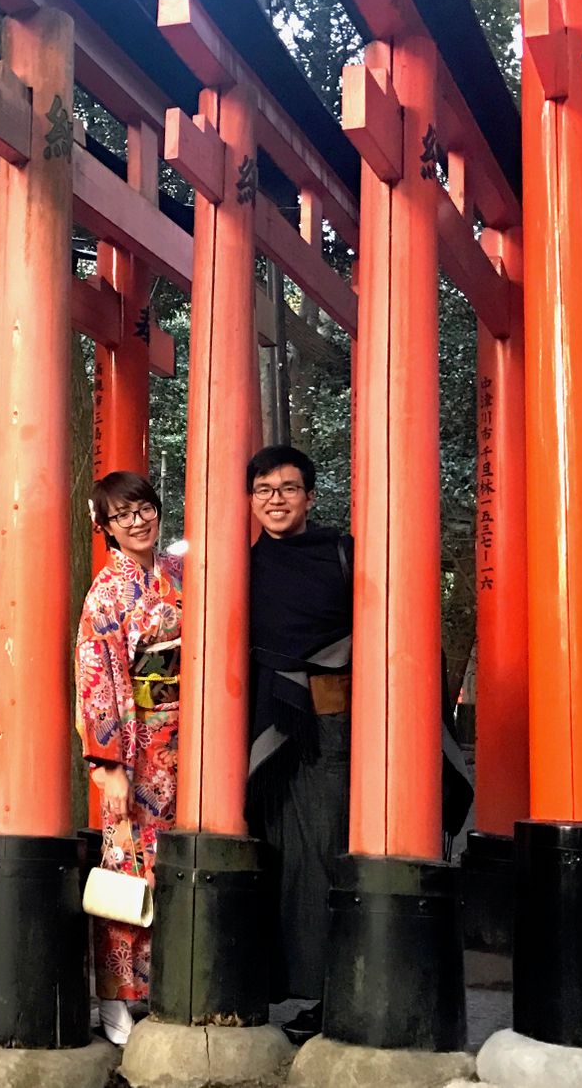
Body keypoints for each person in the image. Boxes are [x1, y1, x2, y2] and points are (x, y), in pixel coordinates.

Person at [244, 445, 352, 1044]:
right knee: (271, 853)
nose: (276, 499)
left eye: (288, 488)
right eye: (263, 489)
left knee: (327, 850)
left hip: (330, 724)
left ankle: (336, 992)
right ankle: (270, 982)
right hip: (261, 724)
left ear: (310, 496)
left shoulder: (343, 552)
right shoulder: (240, 565)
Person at [75, 470, 183, 1046]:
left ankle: (165, 982)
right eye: (122, 515)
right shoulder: (107, 592)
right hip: (136, 747)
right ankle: (116, 998)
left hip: (186, 741)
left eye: (143, 508)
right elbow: (96, 679)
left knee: (174, 868)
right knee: (126, 868)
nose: (137, 520)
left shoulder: (182, 573)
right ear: (106, 528)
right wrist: (108, 765)